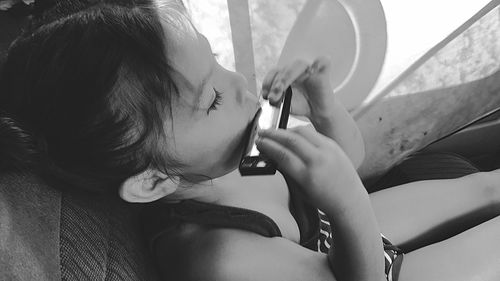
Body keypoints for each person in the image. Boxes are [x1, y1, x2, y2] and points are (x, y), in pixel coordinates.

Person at [1, 1, 500, 280]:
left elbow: (350, 158)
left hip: (346, 233)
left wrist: (323, 108)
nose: (240, 81)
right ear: (155, 180)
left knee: (486, 188)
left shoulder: (230, 153)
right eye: (213, 97)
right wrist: (346, 200)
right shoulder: (221, 257)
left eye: (216, 59)